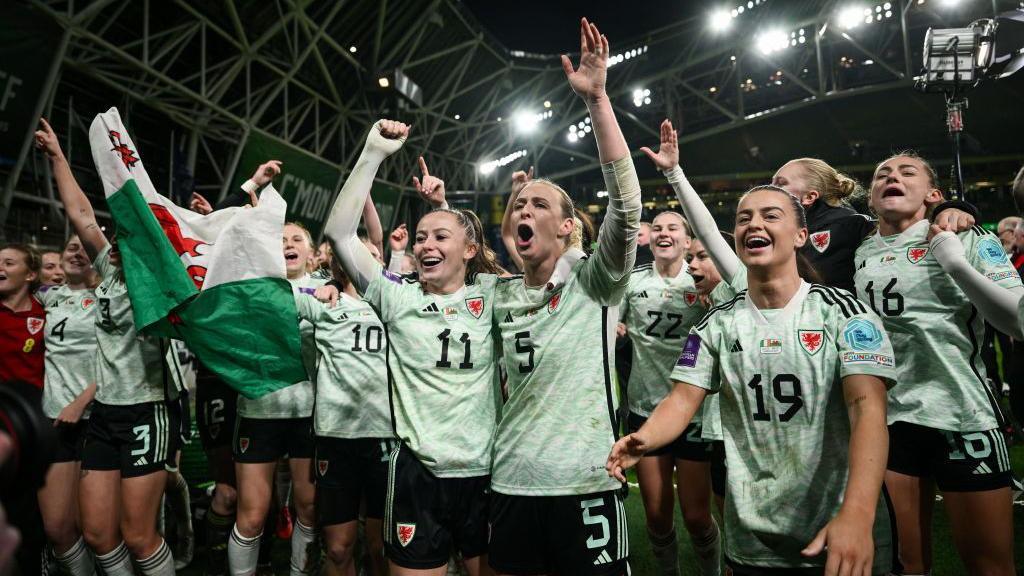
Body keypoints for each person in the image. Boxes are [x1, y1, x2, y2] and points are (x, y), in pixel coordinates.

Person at [609, 184, 896, 576]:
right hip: (752, 541)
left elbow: (868, 413)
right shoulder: (716, 324)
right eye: (744, 218)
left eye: (769, 215)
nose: (753, 224)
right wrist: (647, 437)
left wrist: (858, 515)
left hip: (840, 530)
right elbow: (681, 399)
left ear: (800, 236)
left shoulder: (845, 314)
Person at [488, 18, 641, 576]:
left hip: (583, 480)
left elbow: (626, 206)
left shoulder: (594, 283)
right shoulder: (499, 294)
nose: (525, 211)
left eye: (539, 205)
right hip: (508, 479)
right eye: (519, 205)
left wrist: (598, 99)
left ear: (569, 227)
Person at [324, 119, 502, 576]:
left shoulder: (493, 295)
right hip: (416, 474)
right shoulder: (396, 295)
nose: (426, 244)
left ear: (468, 250)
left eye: (440, 237)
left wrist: (445, 207)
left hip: (486, 472)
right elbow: (341, 236)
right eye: (421, 237)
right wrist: (372, 153)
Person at [854, 152, 1022, 576]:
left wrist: (954, 263)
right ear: (872, 198)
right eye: (882, 174)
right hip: (890, 422)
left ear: (933, 194)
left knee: (990, 567)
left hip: (962, 416)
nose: (891, 177)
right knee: (907, 566)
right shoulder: (859, 252)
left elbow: (1018, 321)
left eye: (906, 172)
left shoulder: (968, 239)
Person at [36, 116, 176, 575]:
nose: (113, 238)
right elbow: (79, 213)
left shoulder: (160, 282)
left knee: (138, 535)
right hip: (106, 415)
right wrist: (59, 157)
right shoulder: (110, 272)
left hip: (145, 410)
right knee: (97, 534)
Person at [617, 211, 721, 576]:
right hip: (646, 408)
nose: (663, 232)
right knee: (658, 516)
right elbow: (613, 317)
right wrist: (615, 323)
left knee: (696, 516)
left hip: (693, 413)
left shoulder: (702, 280)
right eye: (657, 227)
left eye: (672, 227)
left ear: (688, 240)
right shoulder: (633, 283)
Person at [228, 216, 324, 576]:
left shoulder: (326, 291)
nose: (289, 244)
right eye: (281, 238)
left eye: (297, 239)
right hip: (258, 412)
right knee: (251, 517)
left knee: (310, 508)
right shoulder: (250, 290)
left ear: (312, 254)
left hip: (309, 414)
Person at [295, 255, 393, 576]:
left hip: (385, 439)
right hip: (335, 439)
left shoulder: (397, 302)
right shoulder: (322, 301)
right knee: (338, 549)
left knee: (381, 548)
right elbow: (276, 293)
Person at [35, 235, 100, 576]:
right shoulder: (45, 298)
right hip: (54, 419)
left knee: (94, 528)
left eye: (84, 247)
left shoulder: (108, 298)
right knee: (58, 528)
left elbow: (121, 360)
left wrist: (82, 400)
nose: (77, 252)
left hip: (98, 419)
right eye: (70, 247)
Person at [0, 244, 45, 390]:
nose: (1, 267)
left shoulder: (45, 316)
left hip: (26, 407)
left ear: (30, 275)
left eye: (8, 263)